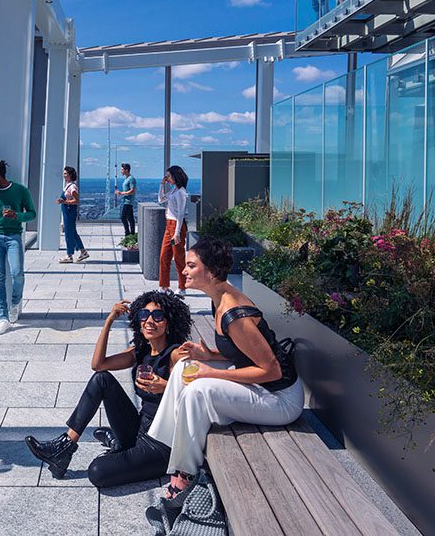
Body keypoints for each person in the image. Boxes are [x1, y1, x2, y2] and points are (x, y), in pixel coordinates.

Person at [147, 236, 303, 501]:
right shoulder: (218, 298)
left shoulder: (234, 314)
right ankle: (165, 444)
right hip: (259, 388)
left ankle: (186, 474)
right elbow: (244, 353)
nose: (183, 270)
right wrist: (211, 355)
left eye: (191, 266)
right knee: (187, 363)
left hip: (280, 400)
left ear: (211, 271)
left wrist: (214, 372)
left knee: (199, 389)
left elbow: (272, 370)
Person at [25, 290, 190, 484]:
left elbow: (198, 390)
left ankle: (118, 445)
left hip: (160, 445)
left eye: (158, 316)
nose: (149, 321)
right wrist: (109, 321)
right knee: (101, 378)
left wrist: (167, 386)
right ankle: (66, 446)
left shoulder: (176, 354)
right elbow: (98, 364)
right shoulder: (141, 351)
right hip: (139, 428)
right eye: (144, 315)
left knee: (97, 471)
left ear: (169, 322)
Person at [0, 158, 36, 335]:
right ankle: (3, 317)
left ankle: (15, 304)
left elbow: (32, 214)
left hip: (13, 237)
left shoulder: (20, 190)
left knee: (17, 272)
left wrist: (16, 216)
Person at [157, 165, 190, 295]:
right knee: (164, 256)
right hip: (168, 226)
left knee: (178, 258)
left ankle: (182, 287)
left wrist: (176, 233)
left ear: (176, 176)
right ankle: (163, 286)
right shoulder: (173, 190)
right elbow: (160, 200)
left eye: (169, 176)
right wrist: (161, 184)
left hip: (177, 227)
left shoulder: (181, 192)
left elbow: (181, 214)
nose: (167, 178)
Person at [57, 166, 89, 263]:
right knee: (72, 233)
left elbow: (76, 200)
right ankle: (83, 252)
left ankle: (69, 255)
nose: (64, 175)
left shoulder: (72, 187)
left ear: (70, 175)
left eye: (66, 173)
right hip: (67, 211)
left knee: (69, 234)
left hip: (70, 211)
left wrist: (65, 201)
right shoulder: (68, 185)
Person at [115, 162, 137, 237]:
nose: (121, 171)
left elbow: (133, 190)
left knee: (123, 217)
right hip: (126, 201)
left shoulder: (131, 179)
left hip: (128, 201)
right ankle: (132, 234)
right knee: (130, 218)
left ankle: (127, 233)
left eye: (122, 170)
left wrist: (121, 193)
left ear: (126, 170)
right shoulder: (127, 179)